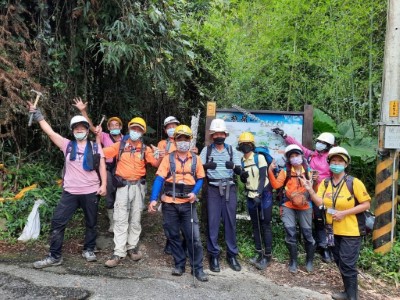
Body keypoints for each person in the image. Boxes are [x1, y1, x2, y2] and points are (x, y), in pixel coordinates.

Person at [28, 103, 107, 268]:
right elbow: (50, 132)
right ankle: (55, 256)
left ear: (87, 130)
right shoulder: (67, 145)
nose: (79, 131)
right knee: (58, 222)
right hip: (70, 192)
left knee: (91, 222)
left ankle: (89, 249)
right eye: (76, 129)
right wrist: (38, 115)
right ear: (73, 131)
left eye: (82, 128)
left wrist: (104, 184)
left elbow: (102, 166)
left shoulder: (94, 146)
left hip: (91, 191)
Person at [301, 146, 371, 300]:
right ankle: (348, 292)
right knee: (339, 261)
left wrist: (344, 213)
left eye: (340, 161)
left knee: (347, 263)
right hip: (332, 230)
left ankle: (352, 296)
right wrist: (310, 190)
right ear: (329, 163)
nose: (336, 164)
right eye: (333, 161)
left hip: (351, 231)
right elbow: (321, 203)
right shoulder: (325, 183)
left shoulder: (354, 182)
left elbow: (366, 204)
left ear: (346, 164)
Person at [148, 125, 208, 282]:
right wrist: (153, 199)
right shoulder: (168, 158)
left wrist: (194, 193)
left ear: (190, 141)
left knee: (193, 236)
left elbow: (201, 178)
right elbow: (159, 178)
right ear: (174, 140)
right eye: (179, 138)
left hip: (188, 203)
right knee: (173, 234)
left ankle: (197, 268)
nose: (182, 141)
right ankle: (179, 264)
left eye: (185, 139)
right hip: (170, 203)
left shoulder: (196, 159)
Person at [101, 117, 161, 267]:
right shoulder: (119, 145)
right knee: (120, 218)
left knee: (135, 217)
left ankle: (132, 248)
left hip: (138, 186)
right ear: (129, 129)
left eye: (139, 129)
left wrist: (158, 155)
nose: (136, 131)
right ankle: (118, 252)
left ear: (143, 132)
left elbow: (155, 164)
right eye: (133, 128)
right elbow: (102, 153)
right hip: (122, 186)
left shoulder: (145, 149)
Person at [272, 128, 335, 263]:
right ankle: (321, 248)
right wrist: (285, 135)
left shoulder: (331, 159)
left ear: (329, 146)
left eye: (323, 143)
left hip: (325, 193)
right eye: (319, 141)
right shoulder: (311, 155)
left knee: (328, 222)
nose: (320, 144)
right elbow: (298, 147)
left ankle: (328, 248)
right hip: (310, 194)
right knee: (317, 221)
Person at [73, 98, 124, 233]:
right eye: (111, 125)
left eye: (116, 125)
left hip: (121, 169)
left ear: (120, 127)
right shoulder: (105, 137)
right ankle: (112, 222)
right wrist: (83, 111)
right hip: (107, 168)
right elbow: (91, 127)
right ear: (108, 128)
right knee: (109, 194)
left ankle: (121, 220)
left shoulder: (126, 139)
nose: (114, 127)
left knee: (121, 194)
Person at [200, 118, 243, 272]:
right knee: (213, 222)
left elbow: (240, 170)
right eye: (216, 133)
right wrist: (206, 166)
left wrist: (235, 168)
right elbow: (198, 168)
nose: (219, 136)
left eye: (221, 133)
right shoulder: (207, 150)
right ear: (212, 136)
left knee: (230, 221)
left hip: (229, 188)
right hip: (212, 188)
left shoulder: (231, 150)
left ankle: (232, 255)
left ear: (225, 135)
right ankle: (213, 255)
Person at [268, 144, 316, 273]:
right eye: (292, 156)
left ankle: (309, 261)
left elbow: (314, 191)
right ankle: (293, 261)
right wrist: (270, 171)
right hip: (288, 204)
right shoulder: (285, 171)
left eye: (297, 155)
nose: (295, 158)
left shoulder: (309, 171)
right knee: (290, 232)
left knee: (307, 233)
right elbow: (276, 185)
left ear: (302, 156)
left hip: (305, 205)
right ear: (289, 159)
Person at [238, 132, 273, 270]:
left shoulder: (259, 158)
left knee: (265, 224)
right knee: (255, 225)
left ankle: (267, 256)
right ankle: (259, 253)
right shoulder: (242, 160)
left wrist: (259, 193)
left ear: (252, 145)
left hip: (264, 195)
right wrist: (242, 176)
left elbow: (263, 177)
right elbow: (245, 180)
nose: (245, 146)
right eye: (242, 144)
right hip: (250, 196)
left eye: (248, 144)